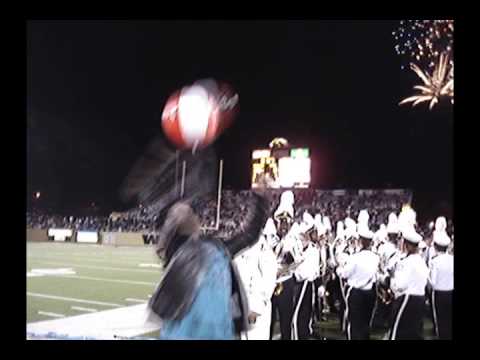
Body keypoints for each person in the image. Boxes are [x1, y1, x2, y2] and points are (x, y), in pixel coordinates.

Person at [148, 188, 270, 340]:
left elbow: (248, 235)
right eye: (179, 211)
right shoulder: (180, 256)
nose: (188, 212)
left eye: (189, 211)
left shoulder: (213, 248)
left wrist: (260, 201)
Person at [235, 221, 278, 340]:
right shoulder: (244, 249)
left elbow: (268, 283)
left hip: (256, 308)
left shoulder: (265, 252)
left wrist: (255, 308)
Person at [338, 222, 379, 340]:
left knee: (354, 324)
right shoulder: (375, 257)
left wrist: (339, 269)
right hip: (369, 292)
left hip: (356, 293)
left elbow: (345, 273)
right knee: (365, 323)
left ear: (361, 241)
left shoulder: (355, 257)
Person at [388, 226, 429, 340]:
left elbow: (399, 286)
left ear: (408, 245)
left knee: (397, 331)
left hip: (407, 299)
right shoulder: (421, 261)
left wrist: (392, 278)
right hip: (420, 299)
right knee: (413, 332)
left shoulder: (407, 262)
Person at [291, 212, 320, 340]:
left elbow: (312, 271)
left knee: (305, 314)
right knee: (296, 316)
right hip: (298, 283)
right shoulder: (296, 248)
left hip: (306, 284)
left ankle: (303, 335)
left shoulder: (313, 250)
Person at [429, 230, 453, 340]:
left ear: (436, 246)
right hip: (451, 292)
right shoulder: (452, 259)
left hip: (439, 294)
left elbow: (433, 282)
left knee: (440, 321)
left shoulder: (435, 261)